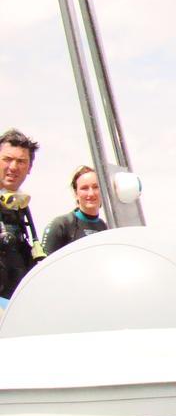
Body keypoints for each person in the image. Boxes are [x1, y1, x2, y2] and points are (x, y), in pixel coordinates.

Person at [0, 128, 40, 299]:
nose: (13, 167)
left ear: (29, 167)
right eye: (7, 159)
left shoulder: (21, 208)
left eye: (21, 161)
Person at [42, 166, 109, 254]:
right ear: (76, 193)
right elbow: (43, 264)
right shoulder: (61, 225)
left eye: (96, 187)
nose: (91, 193)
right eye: (84, 188)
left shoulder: (104, 227)